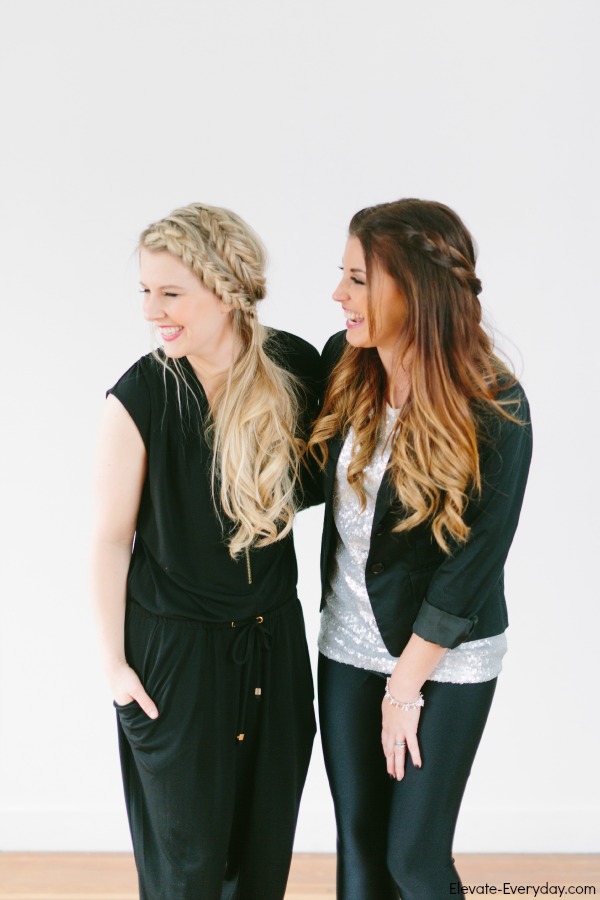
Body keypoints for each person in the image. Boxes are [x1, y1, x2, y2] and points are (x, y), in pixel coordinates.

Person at [91, 203, 319, 900]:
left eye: (171, 292)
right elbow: (109, 540)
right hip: (174, 659)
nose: (151, 311)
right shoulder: (141, 394)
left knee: (260, 862)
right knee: (185, 872)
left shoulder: (295, 367)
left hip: (273, 645)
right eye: (145, 291)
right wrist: (115, 669)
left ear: (227, 289)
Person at [308, 199, 533, 899]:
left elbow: (476, 562)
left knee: (414, 859)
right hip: (348, 643)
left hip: (446, 656)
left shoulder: (496, 404)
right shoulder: (344, 363)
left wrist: (404, 688)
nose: (338, 294)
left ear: (414, 290)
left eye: (357, 279)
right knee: (360, 853)